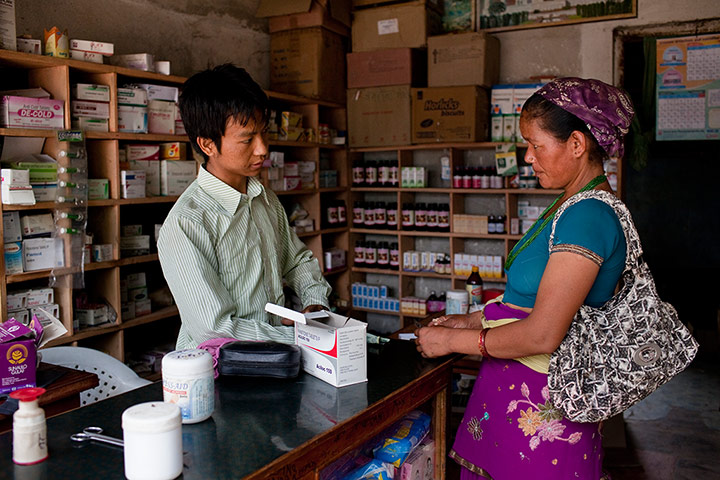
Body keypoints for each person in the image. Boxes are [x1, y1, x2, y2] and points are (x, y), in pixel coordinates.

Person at [415, 77, 635, 480]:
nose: (527, 157)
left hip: (542, 412)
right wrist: (472, 319)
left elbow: (543, 334)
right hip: (515, 400)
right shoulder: (568, 206)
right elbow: (529, 300)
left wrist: (453, 341)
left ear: (575, 144)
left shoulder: (588, 217)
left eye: (535, 144)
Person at [157, 64, 331, 350]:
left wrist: (315, 304)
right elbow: (213, 330)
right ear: (208, 144)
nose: (262, 149)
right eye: (248, 139)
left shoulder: (265, 199)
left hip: (278, 361)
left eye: (263, 133)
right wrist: (303, 339)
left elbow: (298, 261)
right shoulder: (187, 223)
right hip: (222, 372)